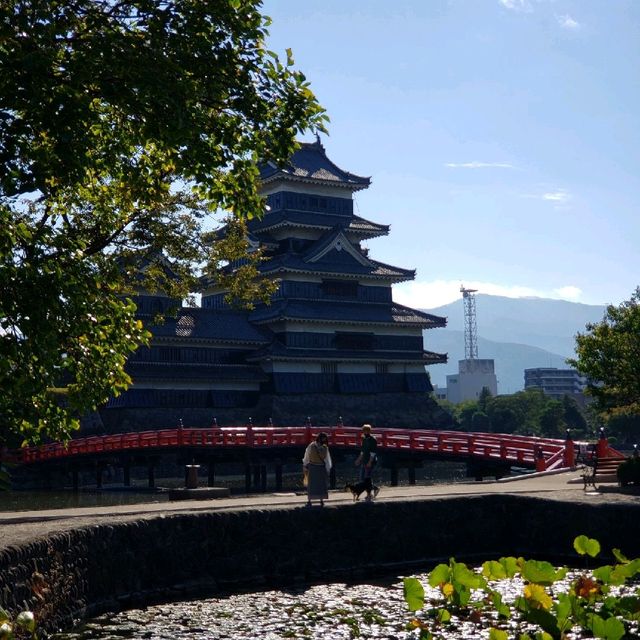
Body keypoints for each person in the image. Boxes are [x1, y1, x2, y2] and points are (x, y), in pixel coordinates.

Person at [302, 432, 332, 506]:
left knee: (321, 485)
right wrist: (305, 464)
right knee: (311, 484)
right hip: (312, 466)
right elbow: (307, 455)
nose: (324, 440)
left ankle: (321, 500)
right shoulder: (311, 446)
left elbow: (327, 459)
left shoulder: (325, 447)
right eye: (323, 438)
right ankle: (309, 500)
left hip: (321, 467)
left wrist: (328, 468)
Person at [355, 423, 378, 500]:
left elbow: (373, 452)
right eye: (364, 431)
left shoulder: (373, 440)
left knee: (367, 478)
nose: (365, 432)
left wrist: (370, 462)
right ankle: (375, 489)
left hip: (370, 461)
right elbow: (362, 451)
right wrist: (358, 460)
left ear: (369, 431)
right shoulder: (364, 439)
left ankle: (369, 494)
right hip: (364, 461)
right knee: (362, 478)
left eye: (366, 431)